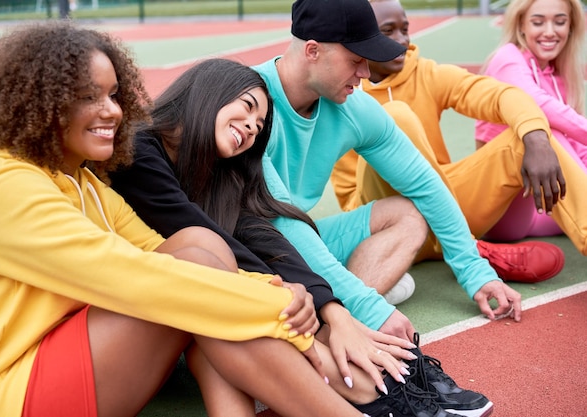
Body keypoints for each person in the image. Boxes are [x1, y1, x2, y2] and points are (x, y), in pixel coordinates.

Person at [0, 21, 374, 417]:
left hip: (66, 347)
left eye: (114, 95)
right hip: (11, 393)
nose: (113, 112)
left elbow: (153, 248)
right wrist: (279, 309)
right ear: (41, 99)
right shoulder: (4, 188)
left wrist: (273, 286)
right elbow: (136, 276)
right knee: (194, 286)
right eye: (90, 96)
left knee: (199, 245)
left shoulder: (82, 181)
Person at [109, 57, 493, 417]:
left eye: (259, 125)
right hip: (131, 327)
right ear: (207, 94)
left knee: (249, 305)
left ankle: (378, 381)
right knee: (234, 290)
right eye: (245, 107)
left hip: (192, 324)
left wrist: (333, 309)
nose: (250, 127)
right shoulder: (140, 149)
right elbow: (205, 239)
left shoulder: (216, 168)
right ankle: (371, 390)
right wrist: (296, 302)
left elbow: (263, 234)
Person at [329, 0, 569, 284]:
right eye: (388, 32)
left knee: (525, 138)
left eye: (405, 29)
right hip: (381, 221)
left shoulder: (427, 73)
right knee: (395, 117)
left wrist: (536, 138)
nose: (402, 41)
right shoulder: (339, 90)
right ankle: (470, 248)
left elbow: (501, 95)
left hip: (443, 207)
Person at [474, 0, 587, 242]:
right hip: (501, 210)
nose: (549, 31)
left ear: (571, 26)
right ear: (521, 24)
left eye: (560, 21)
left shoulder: (560, 75)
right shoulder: (507, 59)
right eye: (538, 22)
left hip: (542, 206)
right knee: (542, 133)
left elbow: (578, 149)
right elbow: (537, 104)